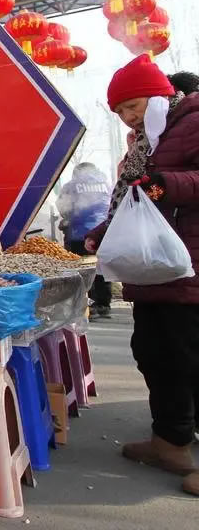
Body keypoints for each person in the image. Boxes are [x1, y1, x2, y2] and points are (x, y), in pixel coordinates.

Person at [84, 55, 199, 497]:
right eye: (120, 111)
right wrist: (99, 235)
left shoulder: (191, 122)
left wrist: (166, 184)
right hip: (151, 273)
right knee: (154, 354)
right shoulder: (143, 142)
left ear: (160, 94)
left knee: (191, 359)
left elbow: (159, 188)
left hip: (189, 266)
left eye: (132, 106)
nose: (128, 117)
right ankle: (170, 442)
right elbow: (129, 201)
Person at [56, 162, 113, 317]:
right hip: (103, 231)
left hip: (79, 234)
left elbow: (63, 207)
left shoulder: (72, 185)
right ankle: (103, 304)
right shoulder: (106, 184)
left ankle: (88, 305)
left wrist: (68, 219)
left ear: (77, 172)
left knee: (82, 269)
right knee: (101, 268)